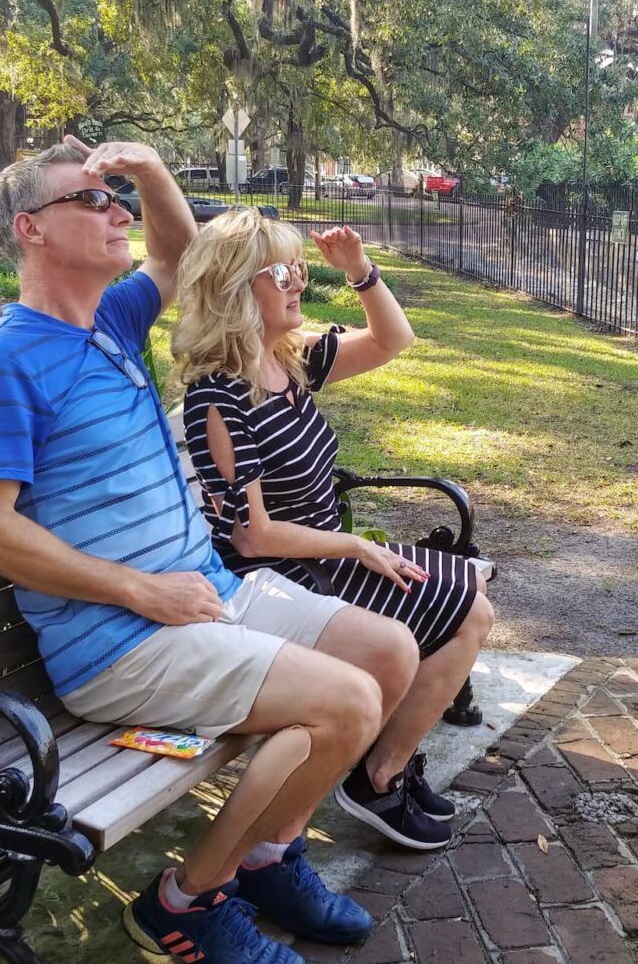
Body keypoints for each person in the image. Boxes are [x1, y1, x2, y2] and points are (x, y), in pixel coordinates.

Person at [0, 140, 424, 964]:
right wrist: (139, 589)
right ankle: (182, 901)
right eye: (92, 203)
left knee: (388, 653)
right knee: (344, 701)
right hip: (118, 644)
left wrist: (152, 169)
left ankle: (270, 859)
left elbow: (174, 251)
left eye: (116, 200)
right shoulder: (0, 364)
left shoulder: (114, 321)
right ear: (30, 230)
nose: (117, 214)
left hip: (208, 594)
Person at [173, 207, 496, 851]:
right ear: (236, 289)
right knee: (460, 610)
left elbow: (391, 340)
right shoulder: (219, 397)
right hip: (276, 574)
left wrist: (359, 271)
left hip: (327, 555)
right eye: (281, 272)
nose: (297, 282)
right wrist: (357, 545)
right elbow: (251, 537)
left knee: (474, 601)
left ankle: (385, 769)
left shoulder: (286, 361)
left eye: (298, 267)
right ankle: (376, 778)